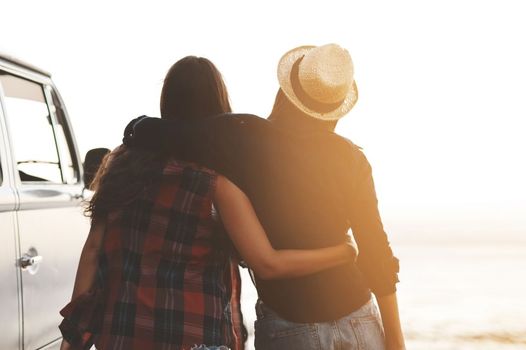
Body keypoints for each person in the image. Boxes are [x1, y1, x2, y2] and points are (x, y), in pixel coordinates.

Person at [59, 56, 357, 350]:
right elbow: (267, 263)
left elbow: (94, 250)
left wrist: (72, 340)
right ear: (219, 106)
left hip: (124, 333)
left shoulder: (120, 164)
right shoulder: (217, 182)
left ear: (167, 102)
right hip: (195, 335)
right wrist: (343, 252)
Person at [124, 44, 405, 349]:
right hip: (358, 317)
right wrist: (396, 340)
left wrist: (139, 126)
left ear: (285, 91)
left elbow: (141, 131)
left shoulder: (245, 137)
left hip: (291, 325)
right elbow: (377, 254)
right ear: (333, 110)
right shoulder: (352, 159)